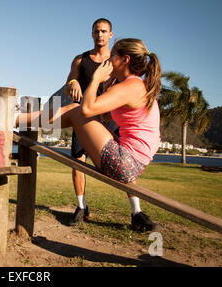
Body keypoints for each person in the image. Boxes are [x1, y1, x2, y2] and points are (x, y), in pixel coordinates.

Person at [15, 38, 161, 232]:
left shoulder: (131, 87)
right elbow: (106, 115)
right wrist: (108, 85)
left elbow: (87, 110)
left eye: (114, 54)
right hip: (130, 163)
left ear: (125, 60)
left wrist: (96, 79)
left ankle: (16, 119)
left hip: (124, 163)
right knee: (73, 111)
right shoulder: (132, 85)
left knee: (76, 110)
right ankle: (22, 118)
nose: (108, 60)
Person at [65, 18, 119, 225]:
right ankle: (81, 207)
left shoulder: (116, 61)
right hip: (85, 117)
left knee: (123, 163)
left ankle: (136, 212)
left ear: (111, 34)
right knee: (77, 162)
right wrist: (73, 82)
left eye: (104, 31)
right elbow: (70, 79)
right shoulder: (80, 59)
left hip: (109, 118)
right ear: (91, 33)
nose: (100, 35)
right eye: (97, 31)